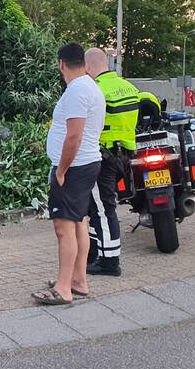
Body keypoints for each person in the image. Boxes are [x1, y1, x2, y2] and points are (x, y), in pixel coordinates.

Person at [32, 43, 106, 305]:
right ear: (83, 63)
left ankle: (63, 288)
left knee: (63, 227)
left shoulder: (76, 90)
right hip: (86, 165)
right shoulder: (90, 87)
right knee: (78, 223)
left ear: (61, 63)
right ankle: (78, 280)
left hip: (74, 168)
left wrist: (61, 170)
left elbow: (74, 135)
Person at [83, 48, 140, 277]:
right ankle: (96, 252)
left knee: (103, 209)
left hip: (102, 155)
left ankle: (109, 262)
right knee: (96, 207)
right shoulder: (130, 87)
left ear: (87, 67)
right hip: (121, 155)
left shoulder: (97, 90)